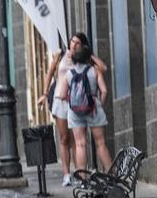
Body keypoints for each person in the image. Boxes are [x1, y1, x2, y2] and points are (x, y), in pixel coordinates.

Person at [38, 33, 109, 187]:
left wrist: (90, 54)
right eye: (72, 42)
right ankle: (69, 174)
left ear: (83, 46)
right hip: (80, 106)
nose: (74, 45)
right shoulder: (61, 55)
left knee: (79, 143)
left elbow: (103, 68)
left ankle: (82, 177)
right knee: (67, 139)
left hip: (74, 106)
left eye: (77, 42)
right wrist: (44, 94)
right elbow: (50, 72)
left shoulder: (84, 61)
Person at [65, 41, 113, 173]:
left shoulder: (69, 74)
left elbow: (63, 94)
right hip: (93, 109)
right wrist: (99, 105)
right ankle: (111, 175)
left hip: (75, 111)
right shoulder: (94, 71)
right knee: (100, 143)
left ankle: (83, 179)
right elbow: (104, 91)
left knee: (80, 144)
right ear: (88, 57)